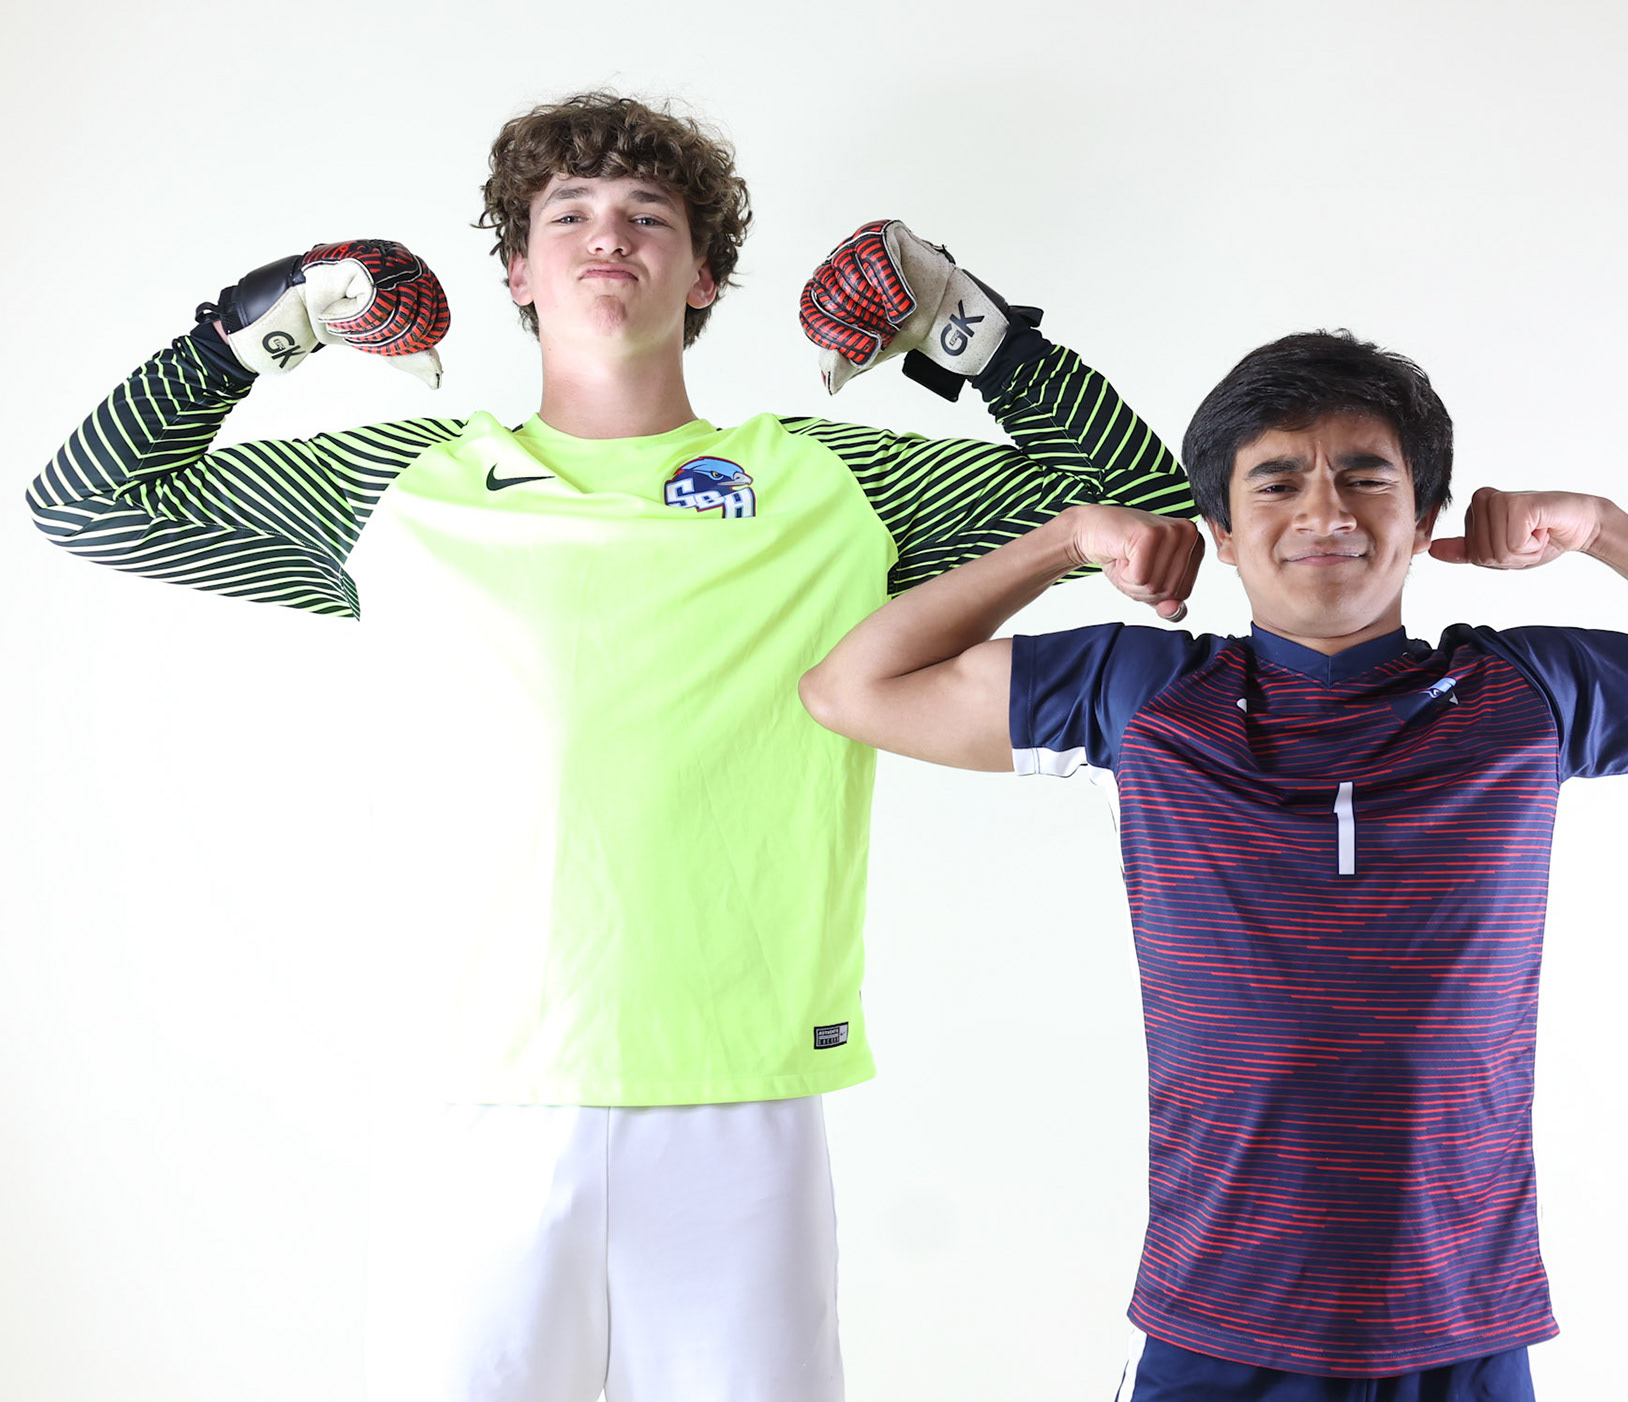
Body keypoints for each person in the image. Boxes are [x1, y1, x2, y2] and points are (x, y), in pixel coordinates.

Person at [24, 92, 1191, 1402]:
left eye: (649, 216)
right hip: (472, 1087)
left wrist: (959, 322)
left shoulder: (824, 481)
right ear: (516, 268)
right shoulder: (400, 484)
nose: (608, 235)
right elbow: (87, 500)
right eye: (566, 212)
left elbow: (1145, 511)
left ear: (704, 274)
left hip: (736, 1084)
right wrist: (272, 321)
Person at [799, 330, 1628, 1401]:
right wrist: (1066, 540)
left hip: (1460, 1322)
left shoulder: (1523, 694)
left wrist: (1603, 530)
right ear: (1219, 529)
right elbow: (851, 690)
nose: (1325, 511)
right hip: (1219, 1319)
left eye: (1366, 476)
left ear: (1423, 520)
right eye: (1276, 479)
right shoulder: (1143, 696)